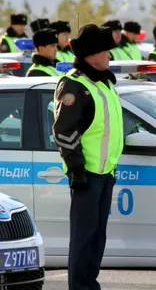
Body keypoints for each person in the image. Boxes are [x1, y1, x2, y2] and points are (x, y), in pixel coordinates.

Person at [52, 24, 124, 290]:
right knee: (83, 238)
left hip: (105, 174)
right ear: (91, 55)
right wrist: (76, 169)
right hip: (87, 176)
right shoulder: (74, 85)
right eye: (105, 51)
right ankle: (80, 287)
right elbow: (63, 131)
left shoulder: (102, 83)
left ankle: (88, 285)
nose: (109, 56)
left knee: (97, 238)